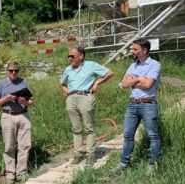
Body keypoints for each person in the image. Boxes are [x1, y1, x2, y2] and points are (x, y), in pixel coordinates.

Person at [110, 38, 161, 176]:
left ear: (144, 50)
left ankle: (152, 165)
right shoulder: (133, 66)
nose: (132, 51)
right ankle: (124, 164)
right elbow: (123, 84)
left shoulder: (155, 64)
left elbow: (148, 85)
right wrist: (139, 79)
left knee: (153, 136)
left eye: (135, 49)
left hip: (148, 104)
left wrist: (133, 80)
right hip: (132, 105)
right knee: (127, 135)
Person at [60, 46, 114, 165]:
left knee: (88, 127)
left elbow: (109, 73)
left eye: (72, 56)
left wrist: (97, 82)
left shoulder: (91, 65)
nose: (70, 58)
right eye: (68, 56)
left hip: (85, 96)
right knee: (76, 128)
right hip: (72, 98)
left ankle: (90, 154)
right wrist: (67, 91)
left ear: (81, 56)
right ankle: (78, 154)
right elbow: (62, 83)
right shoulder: (68, 69)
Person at [0, 62, 33, 184]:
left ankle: (21, 173)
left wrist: (24, 102)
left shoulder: (24, 82)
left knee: (25, 146)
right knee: (9, 146)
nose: (14, 73)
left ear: (19, 71)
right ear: (7, 71)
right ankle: (10, 175)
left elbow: (31, 101)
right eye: (11, 70)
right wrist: (7, 99)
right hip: (7, 115)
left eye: (16, 70)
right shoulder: (1, 83)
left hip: (23, 114)